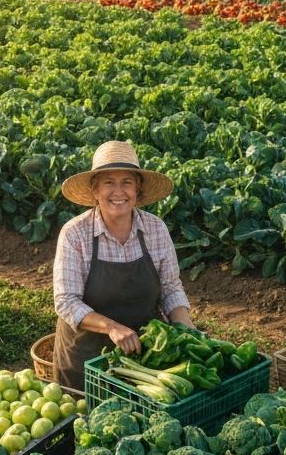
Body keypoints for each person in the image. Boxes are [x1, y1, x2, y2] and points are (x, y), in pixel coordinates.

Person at [52, 140, 193, 390]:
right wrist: (112, 328)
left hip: (143, 359)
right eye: (109, 182)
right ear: (95, 190)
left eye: (126, 182)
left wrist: (187, 329)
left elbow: (170, 288)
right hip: (85, 361)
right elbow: (66, 301)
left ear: (137, 190)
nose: (119, 192)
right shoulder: (75, 234)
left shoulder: (155, 229)